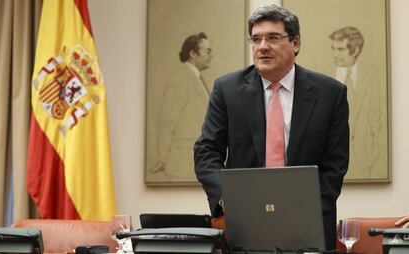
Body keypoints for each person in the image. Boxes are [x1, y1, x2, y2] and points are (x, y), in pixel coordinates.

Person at [194, 5, 349, 250]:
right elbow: (206, 151)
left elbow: (335, 164)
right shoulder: (227, 89)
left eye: (273, 38)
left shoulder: (330, 93)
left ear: (295, 43)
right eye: (256, 39)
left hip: (309, 227)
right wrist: (229, 199)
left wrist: (304, 210)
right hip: (244, 226)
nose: (262, 46)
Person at [150, 32, 213, 181]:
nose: (211, 55)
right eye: (207, 51)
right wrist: (163, 158)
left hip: (195, 162)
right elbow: (167, 122)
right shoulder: (180, 78)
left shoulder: (195, 78)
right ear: (192, 53)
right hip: (182, 163)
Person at [329, 26, 383, 179]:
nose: (334, 54)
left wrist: (371, 136)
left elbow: (376, 113)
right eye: (333, 48)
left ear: (355, 50)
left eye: (340, 49)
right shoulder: (323, 75)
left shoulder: (372, 75)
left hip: (365, 155)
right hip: (330, 159)